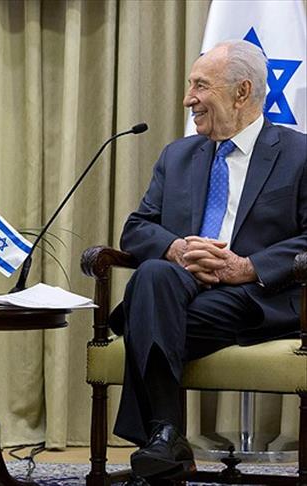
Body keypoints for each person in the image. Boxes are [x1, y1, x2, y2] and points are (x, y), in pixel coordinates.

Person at [111, 39, 307, 483]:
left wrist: (247, 267)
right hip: (179, 285)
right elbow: (137, 229)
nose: (188, 99)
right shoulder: (178, 155)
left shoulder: (298, 154)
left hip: (257, 294)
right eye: (190, 86)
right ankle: (166, 435)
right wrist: (179, 250)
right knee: (155, 273)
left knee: (148, 314)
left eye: (200, 86)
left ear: (241, 92)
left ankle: (162, 439)